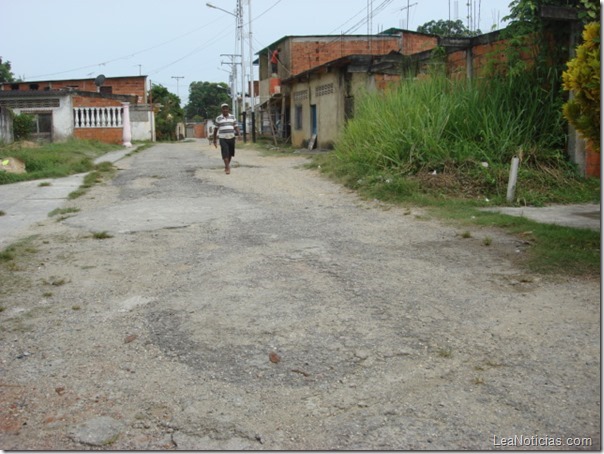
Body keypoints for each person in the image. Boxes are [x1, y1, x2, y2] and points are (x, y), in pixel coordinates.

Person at [213, 103, 240, 174]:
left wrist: (239, 134)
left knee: (230, 153)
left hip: (231, 137)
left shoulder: (233, 117)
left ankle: (226, 165)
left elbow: (236, 126)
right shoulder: (218, 118)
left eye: (226, 108)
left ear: (228, 109)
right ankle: (228, 167)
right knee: (225, 153)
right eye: (223, 108)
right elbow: (215, 130)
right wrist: (214, 140)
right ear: (221, 110)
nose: (225, 110)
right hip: (223, 138)